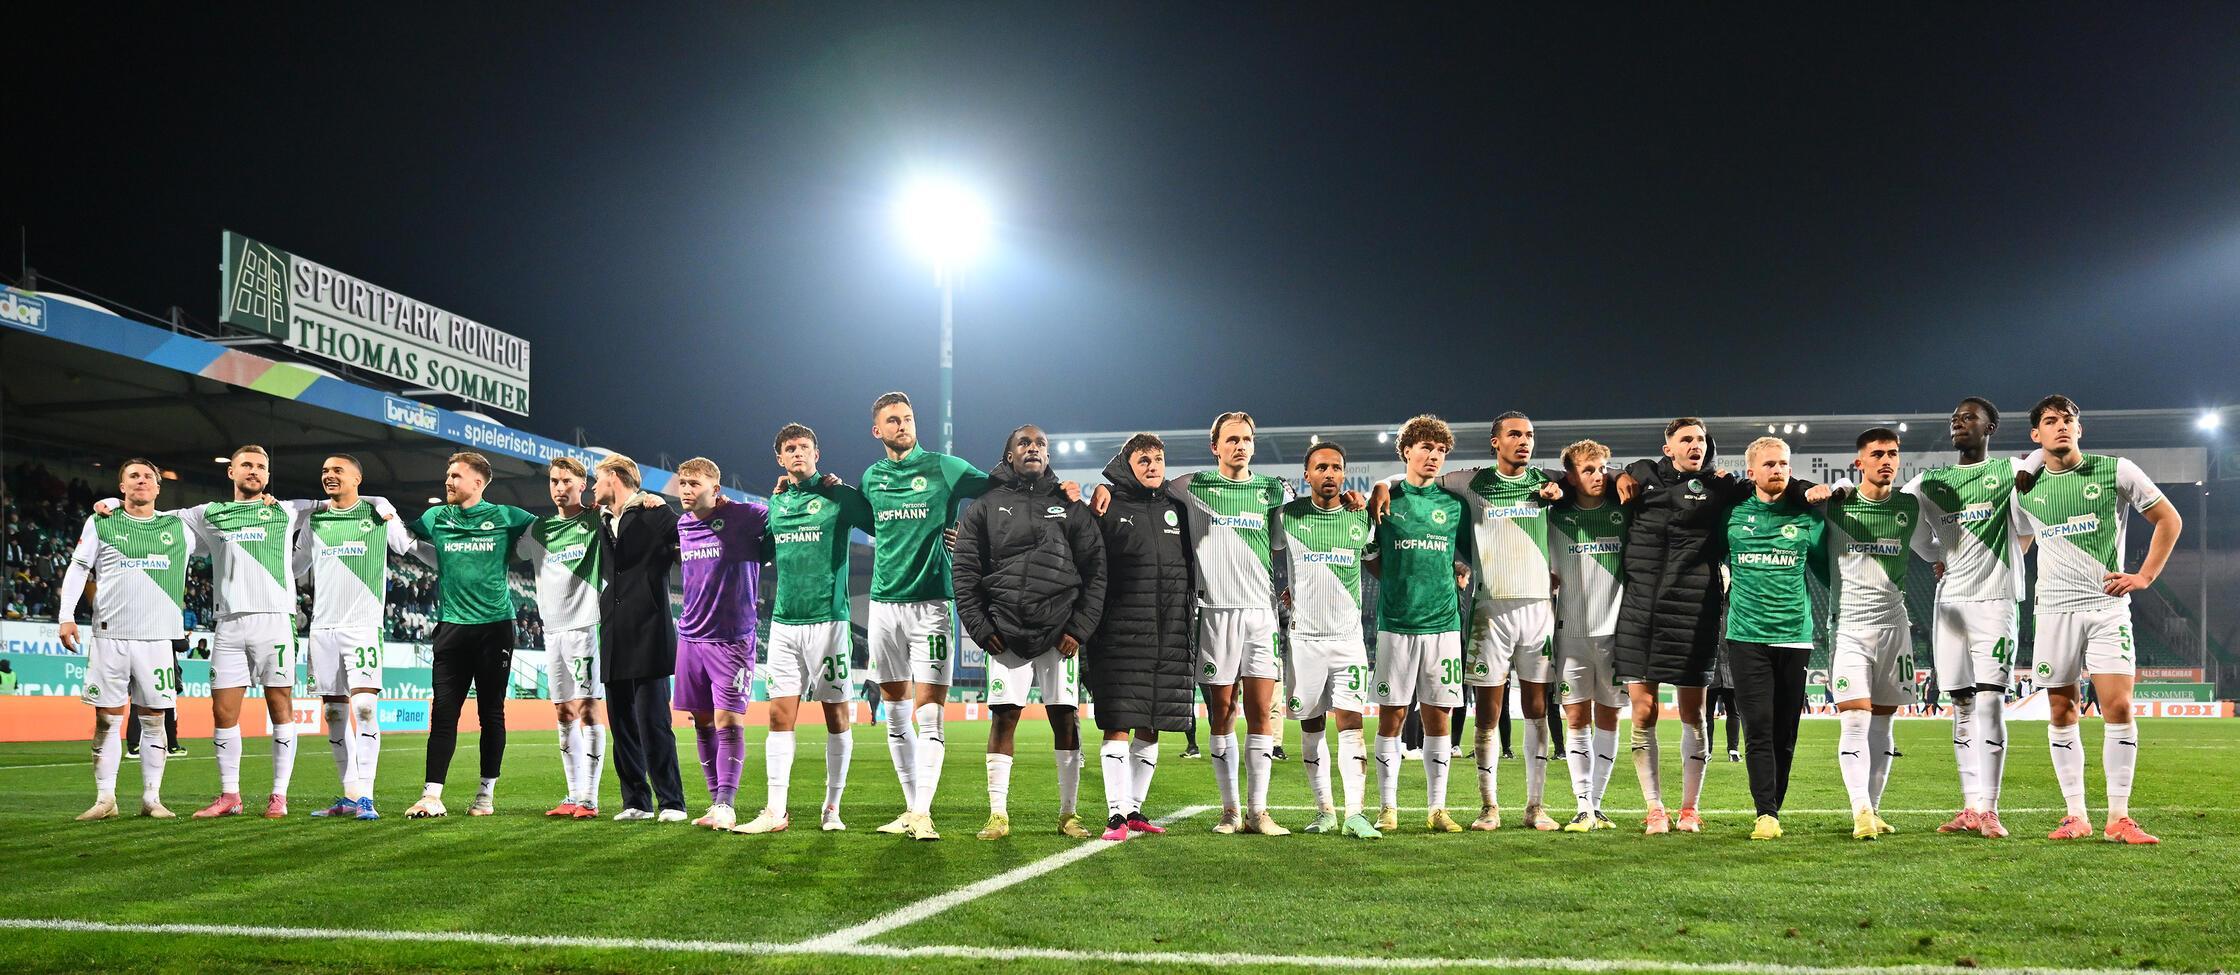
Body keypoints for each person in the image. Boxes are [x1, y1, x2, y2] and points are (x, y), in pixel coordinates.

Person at [1612, 419, 1817, 834]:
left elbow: (1772, 485)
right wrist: (1619, 473)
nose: (1695, 446)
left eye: (1701, 440)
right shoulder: (1641, 476)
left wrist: (1802, 488)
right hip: (1641, 609)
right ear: (1667, 448)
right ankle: (1654, 807)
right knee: (1643, 711)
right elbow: (1579, 478)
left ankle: (1689, 809)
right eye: (1686, 439)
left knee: (1694, 713)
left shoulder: (1723, 487)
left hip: (1694, 608)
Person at [103, 445, 320, 820]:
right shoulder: (208, 514)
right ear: (231, 472)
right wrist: (109, 500)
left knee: (280, 707)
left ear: (267, 476)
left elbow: (342, 499)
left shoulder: (287, 510)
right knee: (222, 712)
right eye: (246, 465)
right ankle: (229, 796)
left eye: (260, 467)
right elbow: (146, 513)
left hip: (275, 620)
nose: (253, 471)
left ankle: (278, 795)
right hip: (229, 623)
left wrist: (381, 504)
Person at [2016, 395, 2182, 844]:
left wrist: (2145, 575)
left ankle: (2119, 817)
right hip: (2053, 610)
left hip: (2107, 607)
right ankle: (2076, 815)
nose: (2061, 427)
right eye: (2051, 421)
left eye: (2069, 420)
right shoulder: (2025, 490)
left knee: (2119, 707)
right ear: (2037, 435)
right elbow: (2020, 543)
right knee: (2060, 708)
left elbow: (2168, 519)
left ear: (2080, 429)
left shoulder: (2116, 470)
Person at [953, 425, 1106, 841]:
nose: (1033, 448)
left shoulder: (1069, 504)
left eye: (1040, 444)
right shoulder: (983, 506)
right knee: (1005, 717)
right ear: (1008, 455)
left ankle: (1069, 814)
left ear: (1048, 456)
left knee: (1066, 719)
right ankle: (998, 814)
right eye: (1024, 443)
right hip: (1005, 630)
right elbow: (965, 572)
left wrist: (1079, 626)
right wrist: (981, 627)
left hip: (1061, 634)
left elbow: (1095, 570)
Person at [860, 391, 992, 841]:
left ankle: (922, 811)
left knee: (931, 715)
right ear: (877, 430)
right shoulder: (871, 477)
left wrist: (972, 537)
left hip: (932, 605)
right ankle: (912, 810)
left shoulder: (943, 467)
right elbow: (849, 513)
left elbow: (999, 489)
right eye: (893, 420)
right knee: (896, 716)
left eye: (908, 418)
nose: (903, 425)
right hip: (881, 607)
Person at [736, 423, 872, 835]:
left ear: (817, 453)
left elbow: (875, 519)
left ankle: (832, 807)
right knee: (779, 716)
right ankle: (775, 810)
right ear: (780, 459)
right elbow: (757, 551)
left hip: (828, 623)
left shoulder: (836, 498)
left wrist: (843, 489)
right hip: (782, 625)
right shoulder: (775, 504)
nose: (798, 453)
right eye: (790, 449)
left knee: (836, 718)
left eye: (805, 447)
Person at [1908, 397, 2035, 839]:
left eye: (1969, 418)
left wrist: (2033, 461)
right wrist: (1937, 556)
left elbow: (2029, 522)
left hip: (1995, 602)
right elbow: (1903, 520)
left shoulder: (2008, 474)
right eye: (1955, 419)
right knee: (1961, 704)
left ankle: (1991, 808)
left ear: (1991, 427)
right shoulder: (1930, 481)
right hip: (1949, 604)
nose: (1959, 423)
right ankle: (1968, 807)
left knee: (1990, 702)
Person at [403, 451, 537, 819]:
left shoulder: (507, 516)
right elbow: (398, 532)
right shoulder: (435, 517)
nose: (448, 481)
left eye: (456, 476)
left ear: (478, 482)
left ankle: (485, 794)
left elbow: (548, 528)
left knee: (490, 712)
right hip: (451, 627)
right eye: (448, 474)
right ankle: (431, 795)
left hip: (495, 627)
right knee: (443, 713)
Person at [1822, 428, 1939, 840]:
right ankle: (1859, 812)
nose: (1887, 460)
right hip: (1850, 629)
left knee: (1884, 726)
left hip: (1895, 629)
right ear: (1860, 463)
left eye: (1892, 453)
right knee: (1854, 719)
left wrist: (1942, 562)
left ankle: (1875, 810)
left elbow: (1930, 543)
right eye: (1877, 454)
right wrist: (1833, 487)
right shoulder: (1838, 504)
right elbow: (1803, 495)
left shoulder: (1909, 503)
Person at [61, 458, 192, 820]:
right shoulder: (101, 521)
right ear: (121, 487)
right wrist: (66, 616)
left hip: (156, 639)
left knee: (154, 720)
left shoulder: (178, 526)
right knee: (107, 720)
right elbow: (78, 568)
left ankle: (152, 799)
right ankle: (106, 800)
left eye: (148, 476)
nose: (141, 481)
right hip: (110, 635)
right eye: (133, 476)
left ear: (158, 487)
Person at [297, 454, 420, 820]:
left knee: (364, 708)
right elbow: (295, 566)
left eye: (337, 471)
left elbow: (403, 545)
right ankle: (350, 794)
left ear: (357, 479)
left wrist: (385, 506)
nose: (329, 476)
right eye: (324, 471)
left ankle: (367, 795)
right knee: (334, 712)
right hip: (321, 628)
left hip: (363, 626)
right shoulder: (315, 521)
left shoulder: (375, 514)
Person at [1088, 434, 1198, 841]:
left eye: (1158, 459)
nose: (1153, 466)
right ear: (1126, 464)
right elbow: (1088, 566)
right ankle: (1115, 815)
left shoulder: (1177, 509)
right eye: (1143, 460)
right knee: (1119, 723)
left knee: (1152, 725)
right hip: (1118, 635)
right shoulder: (1109, 506)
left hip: (1169, 633)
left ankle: (1134, 811)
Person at [1367, 415, 1471, 835]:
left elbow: (1467, 555)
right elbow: (1370, 557)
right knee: (1391, 717)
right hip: (1396, 624)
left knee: (1438, 718)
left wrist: (1459, 572)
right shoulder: (1388, 500)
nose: (1434, 456)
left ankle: (1436, 808)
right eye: (1426, 447)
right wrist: (1396, 581)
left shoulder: (1454, 506)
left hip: (1444, 626)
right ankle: (1387, 808)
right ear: (1406, 451)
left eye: (1441, 450)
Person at [1722, 437, 1825, 840]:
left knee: (1785, 733)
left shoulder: (1807, 516)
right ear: (1751, 472)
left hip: (1794, 637)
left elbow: (1825, 568)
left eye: (1783, 463)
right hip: (1746, 636)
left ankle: (1774, 807)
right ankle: (1765, 813)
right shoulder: (1731, 514)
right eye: (1768, 464)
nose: (1777, 470)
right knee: (1759, 728)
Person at [1279, 442, 1381, 838]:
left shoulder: (1362, 519)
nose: (1329, 474)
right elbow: (1263, 551)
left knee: (1352, 722)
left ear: (1344, 474)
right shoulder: (1287, 516)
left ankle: (1355, 812)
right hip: (1304, 638)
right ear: (1307, 475)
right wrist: (1282, 589)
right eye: (1321, 467)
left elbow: (1376, 564)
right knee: (1311, 724)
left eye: (1336, 468)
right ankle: (1325, 811)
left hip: (1348, 639)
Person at [670, 457, 770, 832]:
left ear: (716, 488)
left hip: (731, 639)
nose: (686, 490)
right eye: (682, 483)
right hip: (690, 637)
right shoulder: (682, 524)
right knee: (701, 721)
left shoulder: (746, 515)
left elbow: (784, 518)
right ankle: (715, 803)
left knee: (729, 720)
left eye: (694, 484)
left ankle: (727, 804)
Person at [594, 453, 689, 824]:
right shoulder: (601, 519)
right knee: (622, 725)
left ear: (615, 478)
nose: (592, 486)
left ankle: (672, 802)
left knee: (654, 723)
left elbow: (692, 542)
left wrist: (664, 504)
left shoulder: (656, 514)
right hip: (613, 632)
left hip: (649, 630)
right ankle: (635, 800)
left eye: (597, 479)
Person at [515, 457, 612, 820]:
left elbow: (625, 505)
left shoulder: (593, 520)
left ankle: (590, 798)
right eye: (554, 481)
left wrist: (645, 499)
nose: (559, 487)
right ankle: (572, 795)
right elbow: (511, 548)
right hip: (551, 631)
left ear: (582, 484)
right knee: (562, 711)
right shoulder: (538, 530)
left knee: (588, 708)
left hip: (586, 626)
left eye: (566, 481)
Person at [1547, 440, 1628, 831]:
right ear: (1571, 476)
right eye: (1589, 469)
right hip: (1572, 633)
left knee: (1610, 719)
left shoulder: (1623, 512)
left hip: (1616, 634)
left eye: (1603, 468)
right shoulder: (1553, 516)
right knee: (1577, 719)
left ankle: (1596, 804)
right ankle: (1582, 805)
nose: (1598, 476)